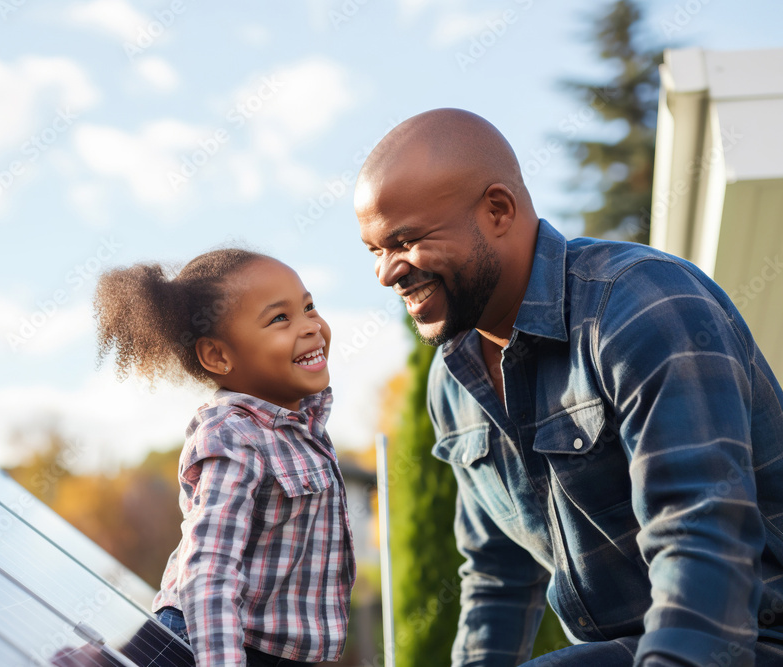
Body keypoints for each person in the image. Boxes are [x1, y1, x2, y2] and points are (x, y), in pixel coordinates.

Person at [353, 108, 783, 666]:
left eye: (405, 240)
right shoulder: (453, 381)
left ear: (498, 210)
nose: (388, 272)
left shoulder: (641, 306)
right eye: (375, 251)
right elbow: (497, 580)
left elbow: (702, 532)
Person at [93, 248, 356, 667]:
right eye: (280, 318)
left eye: (308, 307)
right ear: (218, 356)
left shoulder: (303, 429)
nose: (310, 327)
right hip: (203, 646)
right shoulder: (234, 436)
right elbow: (209, 571)